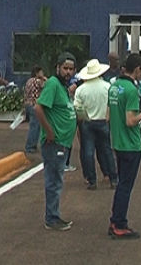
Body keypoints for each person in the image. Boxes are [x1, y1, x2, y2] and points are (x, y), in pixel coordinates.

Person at [107, 53, 141, 239]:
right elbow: (130, 121)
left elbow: (108, 116)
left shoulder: (114, 86)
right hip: (130, 144)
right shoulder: (130, 90)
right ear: (136, 69)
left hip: (118, 141)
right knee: (125, 186)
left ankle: (115, 220)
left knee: (122, 183)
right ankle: (119, 223)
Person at [34, 52, 78, 231]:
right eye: (65, 68)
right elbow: (39, 108)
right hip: (54, 142)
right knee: (54, 181)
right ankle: (51, 218)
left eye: (71, 69)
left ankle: (54, 215)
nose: (68, 72)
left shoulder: (63, 87)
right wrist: (49, 132)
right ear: (58, 68)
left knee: (57, 180)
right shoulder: (53, 83)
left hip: (63, 142)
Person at [74, 59, 118, 191]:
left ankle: (92, 180)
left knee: (88, 151)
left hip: (88, 122)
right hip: (103, 121)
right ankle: (113, 179)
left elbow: (78, 108)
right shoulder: (107, 86)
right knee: (107, 150)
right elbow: (111, 104)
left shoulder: (81, 90)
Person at [23, 66, 46, 154]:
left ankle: (32, 145)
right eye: (41, 72)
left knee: (34, 125)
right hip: (35, 105)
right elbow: (47, 85)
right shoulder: (38, 81)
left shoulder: (29, 81)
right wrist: (44, 78)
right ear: (37, 73)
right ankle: (30, 146)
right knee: (35, 126)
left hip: (28, 104)